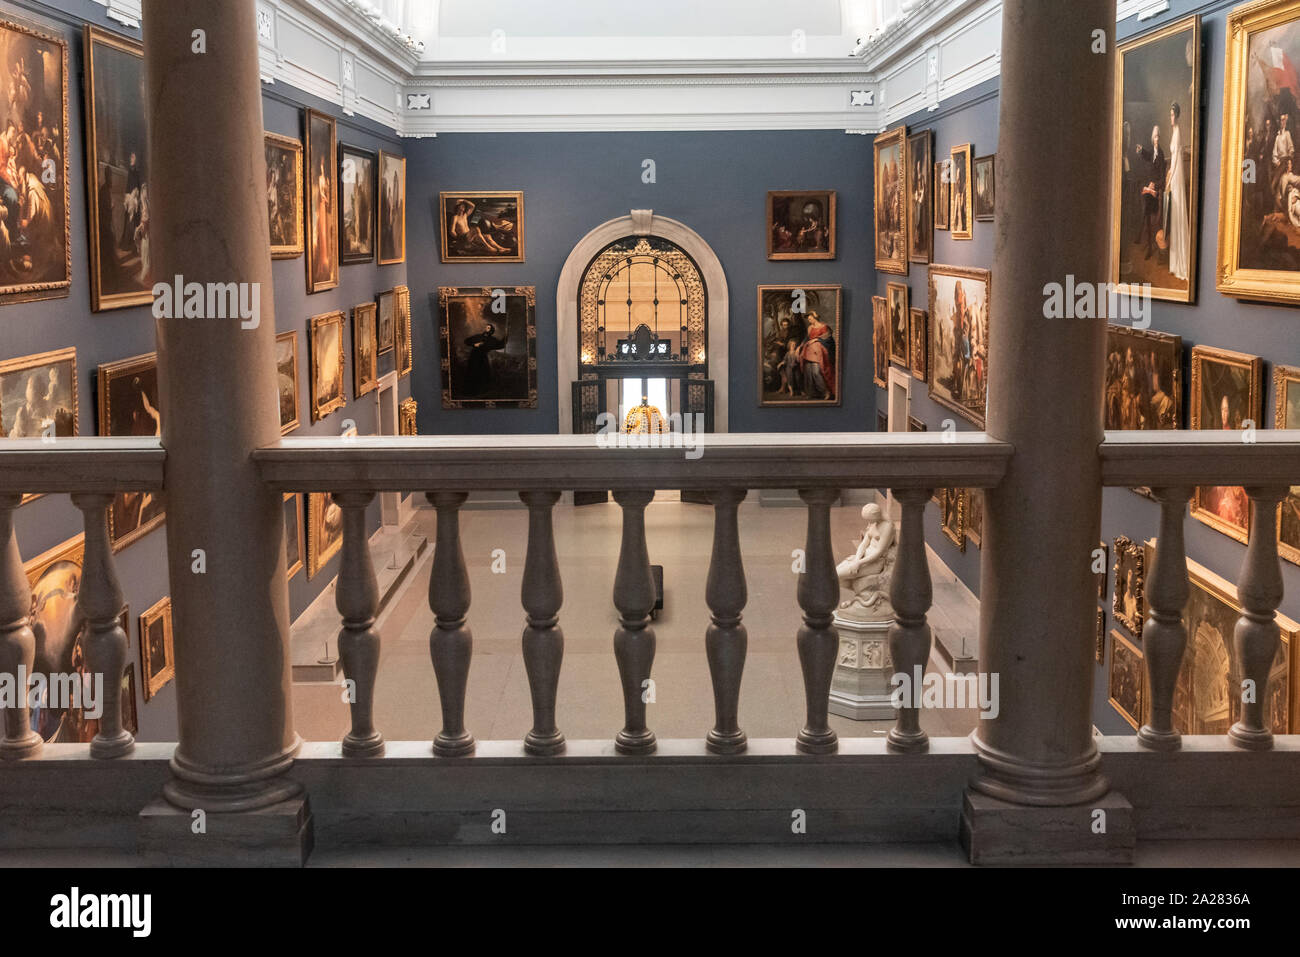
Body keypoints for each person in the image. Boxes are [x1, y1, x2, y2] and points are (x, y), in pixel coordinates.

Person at [1166, 103, 1190, 281]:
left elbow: (1175, 162)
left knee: (1177, 214)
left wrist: (1169, 178)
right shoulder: (1174, 132)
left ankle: (1180, 263)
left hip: (1177, 176)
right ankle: (1174, 264)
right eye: (1170, 115)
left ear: (1178, 116)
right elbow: (1172, 160)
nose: (1171, 117)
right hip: (1173, 174)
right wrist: (1168, 174)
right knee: (1173, 216)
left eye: (1173, 115)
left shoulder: (1178, 132)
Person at [1134, 124, 1166, 259]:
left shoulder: (1161, 154)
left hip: (1157, 191)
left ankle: (1142, 236)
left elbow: (1162, 178)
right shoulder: (1153, 151)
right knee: (1145, 200)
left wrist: (1155, 185)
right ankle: (1147, 243)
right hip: (1150, 189)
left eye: (1158, 137)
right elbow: (1147, 155)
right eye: (1155, 137)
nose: (1156, 139)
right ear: (1152, 139)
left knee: (1147, 205)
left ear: (1160, 138)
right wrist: (1141, 150)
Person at [797, 310, 836, 400]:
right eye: (808, 320)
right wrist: (800, 346)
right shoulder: (810, 328)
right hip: (808, 351)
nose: (809, 321)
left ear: (815, 318)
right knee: (808, 371)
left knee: (816, 371)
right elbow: (807, 338)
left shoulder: (824, 327)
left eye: (810, 319)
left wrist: (816, 339)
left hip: (819, 352)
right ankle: (811, 393)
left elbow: (829, 338)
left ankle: (825, 392)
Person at [463, 321, 508, 396]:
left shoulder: (492, 340)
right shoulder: (478, 336)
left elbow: (501, 345)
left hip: (483, 358)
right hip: (474, 357)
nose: (487, 328)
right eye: (486, 327)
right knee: (472, 373)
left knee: (483, 373)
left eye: (489, 328)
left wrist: (506, 335)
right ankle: (470, 391)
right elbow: (467, 341)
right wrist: (474, 344)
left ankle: (481, 391)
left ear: (491, 330)